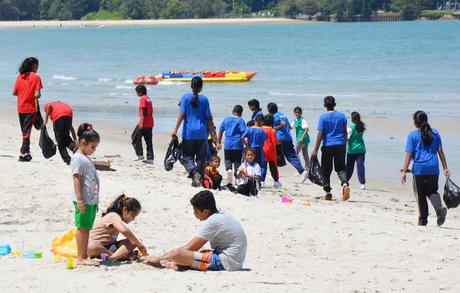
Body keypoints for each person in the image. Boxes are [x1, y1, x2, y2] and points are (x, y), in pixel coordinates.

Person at [143, 190, 247, 271]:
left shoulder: (213, 221)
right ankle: (182, 265)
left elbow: (190, 247)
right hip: (234, 260)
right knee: (199, 250)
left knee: (176, 254)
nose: (194, 214)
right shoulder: (220, 216)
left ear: (205, 211)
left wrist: (159, 258)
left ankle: (181, 264)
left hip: (227, 263)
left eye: (195, 211)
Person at [401, 111, 449, 226]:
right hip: (433, 168)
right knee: (432, 191)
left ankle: (423, 220)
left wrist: (404, 171)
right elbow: (440, 152)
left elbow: (409, 154)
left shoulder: (412, 135)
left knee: (421, 194)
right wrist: (445, 168)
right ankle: (439, 209)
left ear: (416, 123)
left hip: (419, 169)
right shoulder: (435, 133)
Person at [172, 77, 216, 187]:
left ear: (191, 86)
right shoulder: (204, 99)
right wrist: (214, 134)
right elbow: (209, 118)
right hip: (202, 134)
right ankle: (198, 178)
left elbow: (181, 115)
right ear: (201, 87)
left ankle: (193, 173)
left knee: (187, 157)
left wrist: (175, 130)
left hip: (189, 133)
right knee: (201, 158)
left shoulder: (185, 98)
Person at [71, 123, 101, 266]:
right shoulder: (78, 158)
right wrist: (80, 200)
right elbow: (76, 179)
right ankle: (80, 257)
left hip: (90, 200)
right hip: (83, 200)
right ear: (83, 143)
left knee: (87, 228)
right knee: (82, 228)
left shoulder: (85, 157)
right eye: (93, 147)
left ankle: (83, 255)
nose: (94, 150)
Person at [311, 96, 350, 201]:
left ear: (324, 105)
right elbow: (345, 132)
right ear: (335, 104)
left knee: (326, 170)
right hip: (340, 145)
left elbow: (320, 134)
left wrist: (315, 149)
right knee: (341, 168)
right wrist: (344, 143)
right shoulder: (342, 116)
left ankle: (328, 192)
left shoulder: (323, 117)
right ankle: (345, 185)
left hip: (328, 145)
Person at [88, 194, 147, 260]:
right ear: (125, 210)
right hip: (96, 247)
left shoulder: (117, 218)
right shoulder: (114, 216)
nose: (133, 219)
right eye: (133, 215)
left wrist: (135, 242)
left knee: (132, 241)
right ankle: (116, 256)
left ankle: (112, 256)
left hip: (109, 247)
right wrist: (138, 244)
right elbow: (124, 230)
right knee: (91, 247)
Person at [13, 57, 44, 162]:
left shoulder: (19, 77)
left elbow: (14, 92)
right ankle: (22, 153)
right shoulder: (36, 77)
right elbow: (37, 94)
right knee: (27, 131)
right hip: (31, 107)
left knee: (25, 130)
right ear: (33, 65)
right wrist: (34, 93)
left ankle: (27, 153)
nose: (37, 68)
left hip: (20, 107)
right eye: (37, 66)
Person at [267, 102, 305, 176]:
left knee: (273, 155)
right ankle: (302, 171)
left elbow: (275, 128)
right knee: (291, 156)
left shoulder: (273, 117)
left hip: (279, 138)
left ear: (269, 110)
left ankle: (274, 174)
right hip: (288, 137)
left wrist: (274, 128)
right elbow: (289, 126)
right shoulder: (283, 115)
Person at [217, 105, 246, 184]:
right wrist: (245, 143)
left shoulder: (226, 119)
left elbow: (220, 130)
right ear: (241, 113)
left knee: (227, 159)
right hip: (238, 144)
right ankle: (237, 178)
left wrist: (218, 142)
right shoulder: (240, 120)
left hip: (228, 144)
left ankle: (229, 169)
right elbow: (243, 133)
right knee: (237, 161)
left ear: (233, 111)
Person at [132, 85, 154, 164]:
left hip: (144, 123)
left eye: (137, 92)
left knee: (134, 137)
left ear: (140, 92)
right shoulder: (148, 99)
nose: (136, 94)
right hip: (150, 123)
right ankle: (150, 158)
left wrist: (141, 122)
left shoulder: (143, 98)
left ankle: (140, 155)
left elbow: (144, 111)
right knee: (148, 141)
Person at [242, 115, 266, 185]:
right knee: (259, 165)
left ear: (255, 121)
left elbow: (242, 137)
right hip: (258, 149)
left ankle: (248, 179)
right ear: (261, 122)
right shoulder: (261, 130)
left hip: (250, 148)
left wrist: (246, 145)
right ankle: (258, 181)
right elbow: (264, 140)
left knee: (248, 163)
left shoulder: (249, 129)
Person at [346, 112, 366, 190]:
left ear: (352, 119)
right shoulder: (361, 126)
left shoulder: (350, 128)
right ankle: (362, 183)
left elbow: (347, 138)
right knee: (360, 166)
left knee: (349, 167)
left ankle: (346, 181)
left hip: (352, 150)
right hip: (361, 149)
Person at [261, 115, 282, 188]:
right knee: (273, 165)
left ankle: (262, 181)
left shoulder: (261, 129)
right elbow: (274, 141)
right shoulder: (272, 130)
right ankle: (276, 181)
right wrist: (280, 142)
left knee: (263, 166)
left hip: (262, 149)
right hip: (270, 150)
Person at [291, 106, 310, 170]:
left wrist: (302, 137)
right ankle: (308, 170)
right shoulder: (295, 120)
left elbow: (307, 129)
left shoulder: (302, 120)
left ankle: (300, 169)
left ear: (301, 113)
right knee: (305, 154)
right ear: (294, 113)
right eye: (296, 113)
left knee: (295, 153)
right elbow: (290, 127)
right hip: (302, 139)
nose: (297, 114)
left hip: (303, 139)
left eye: (298, 113)